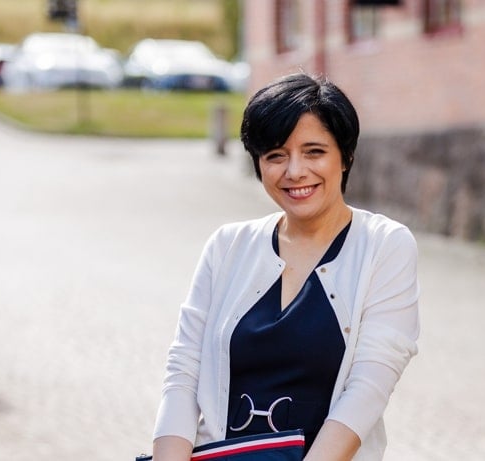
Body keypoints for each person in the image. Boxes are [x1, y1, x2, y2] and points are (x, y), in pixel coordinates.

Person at [152, 72, 420, 461]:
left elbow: (369, 387)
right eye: (276, 155)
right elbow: (183, 371)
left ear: (345, 156)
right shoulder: (227, 246)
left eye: (314, 152)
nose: (294, 171)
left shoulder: (385, 246)